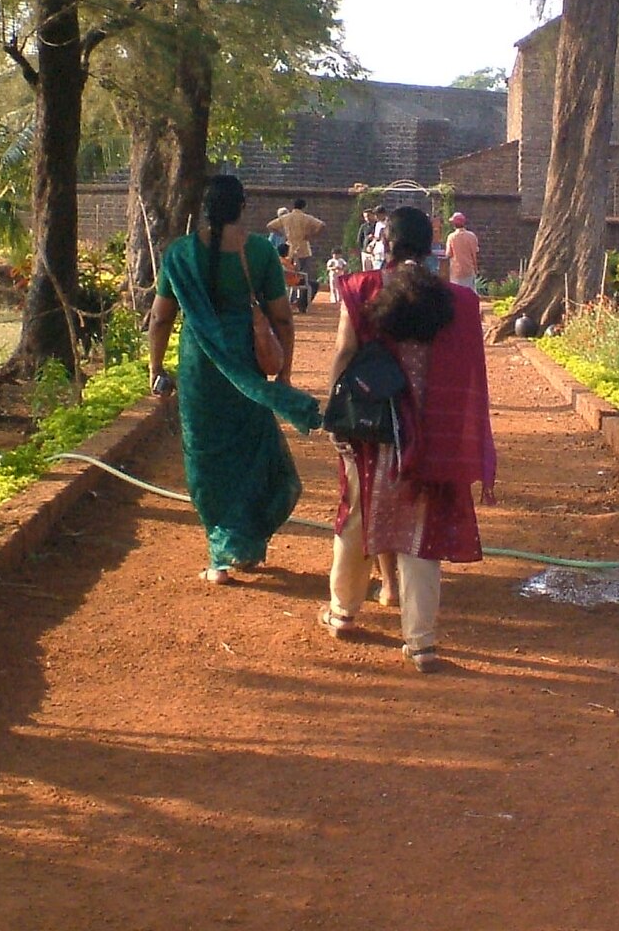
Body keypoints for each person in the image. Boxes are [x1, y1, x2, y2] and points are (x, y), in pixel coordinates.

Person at [322, 205, 497, 671]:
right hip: (430, 434)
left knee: (357, 515)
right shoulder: (456, 302)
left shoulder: (362, 289)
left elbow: (344, 352)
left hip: (372, 430)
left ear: (387, 244)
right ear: (432, 248)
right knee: (422, 535)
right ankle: (421, 643)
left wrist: (332, 411)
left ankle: (342, 613)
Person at [147, 174, 320, 584]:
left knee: (206, 455)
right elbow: (281, 316)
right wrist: (285, 373)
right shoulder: (258, 251)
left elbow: (160, 318)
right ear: (242, 207)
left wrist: (155, 369)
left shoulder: (180, 254)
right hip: (246, 364)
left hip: (198, 365)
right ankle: (244, 543)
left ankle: (220, 554)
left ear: (203, 209)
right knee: (250, 451)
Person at [268, 199, 327, 301]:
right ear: (304, 207)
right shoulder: (306, 218)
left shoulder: (286, 217)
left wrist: (283, 233)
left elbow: (270, 226)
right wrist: (311, 235)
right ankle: (302, 300)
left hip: (289, 248)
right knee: (304, 276)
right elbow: (322, 225)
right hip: (303, 248)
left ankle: (291, 298)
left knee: (290, 274)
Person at [443, 211, 480, 291]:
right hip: (469, 270)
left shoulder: (451, 237)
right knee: (470, 293)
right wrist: (476, 269)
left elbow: (448, 254)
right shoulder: (472, 236)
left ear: (454, 224)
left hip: (456, 271)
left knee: (457, 294)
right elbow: (474, 254)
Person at [369, 205, 390, 271]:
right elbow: (376, 237)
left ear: (383, 214)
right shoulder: (378, 224)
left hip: (386, 251)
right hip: (378, 251)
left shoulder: (389, 223)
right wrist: (371, 244)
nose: (376, 217)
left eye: (377, 215)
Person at [357, 207, 378, 272]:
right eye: (365, 217)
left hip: (375, 252)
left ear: (373, 215)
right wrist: (363, 248)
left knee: (375, 271)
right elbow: (359, 239)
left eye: (368, 216)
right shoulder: (363, 226)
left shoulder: (377, 225)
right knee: (366, 271)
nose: (367, 218)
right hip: (365, 252)